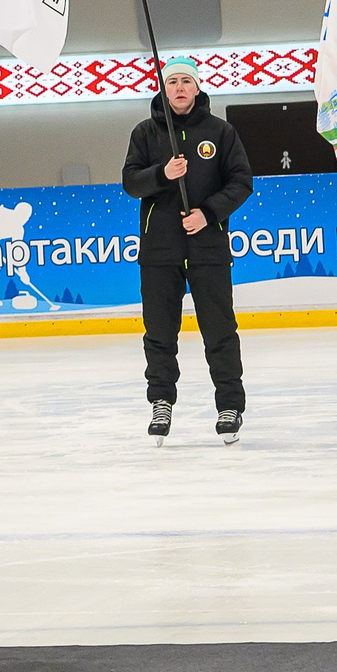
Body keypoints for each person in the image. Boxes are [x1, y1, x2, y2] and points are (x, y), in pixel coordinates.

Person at [123, 54, 256, 444]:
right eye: (173, 82)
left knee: (220, 331)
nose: (179, 88)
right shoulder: (145, 134)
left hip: (207, 249)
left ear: (198, 88)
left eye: (186, 81)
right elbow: (131, 182)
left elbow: (241, 181)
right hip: (159, 252)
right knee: (159, 333)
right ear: (164, 89)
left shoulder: (220, 132)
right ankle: (161, 402)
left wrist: (208, 214)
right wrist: (161, 175)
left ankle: (229, 405)